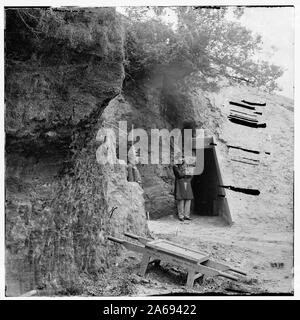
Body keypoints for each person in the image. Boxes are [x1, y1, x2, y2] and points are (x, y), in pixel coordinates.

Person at [173, 156, 194, 221]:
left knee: (188, 199)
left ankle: (186, 215)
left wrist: (186, 173)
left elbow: (191, 174)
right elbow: (179, 175)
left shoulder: (186, 166)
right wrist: (185, 174)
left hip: (187, 182)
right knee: (181, 199)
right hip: (180, 183)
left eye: (182, 159)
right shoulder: (175, 167)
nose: (181, 160)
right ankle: (181, 216)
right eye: (180, 159)